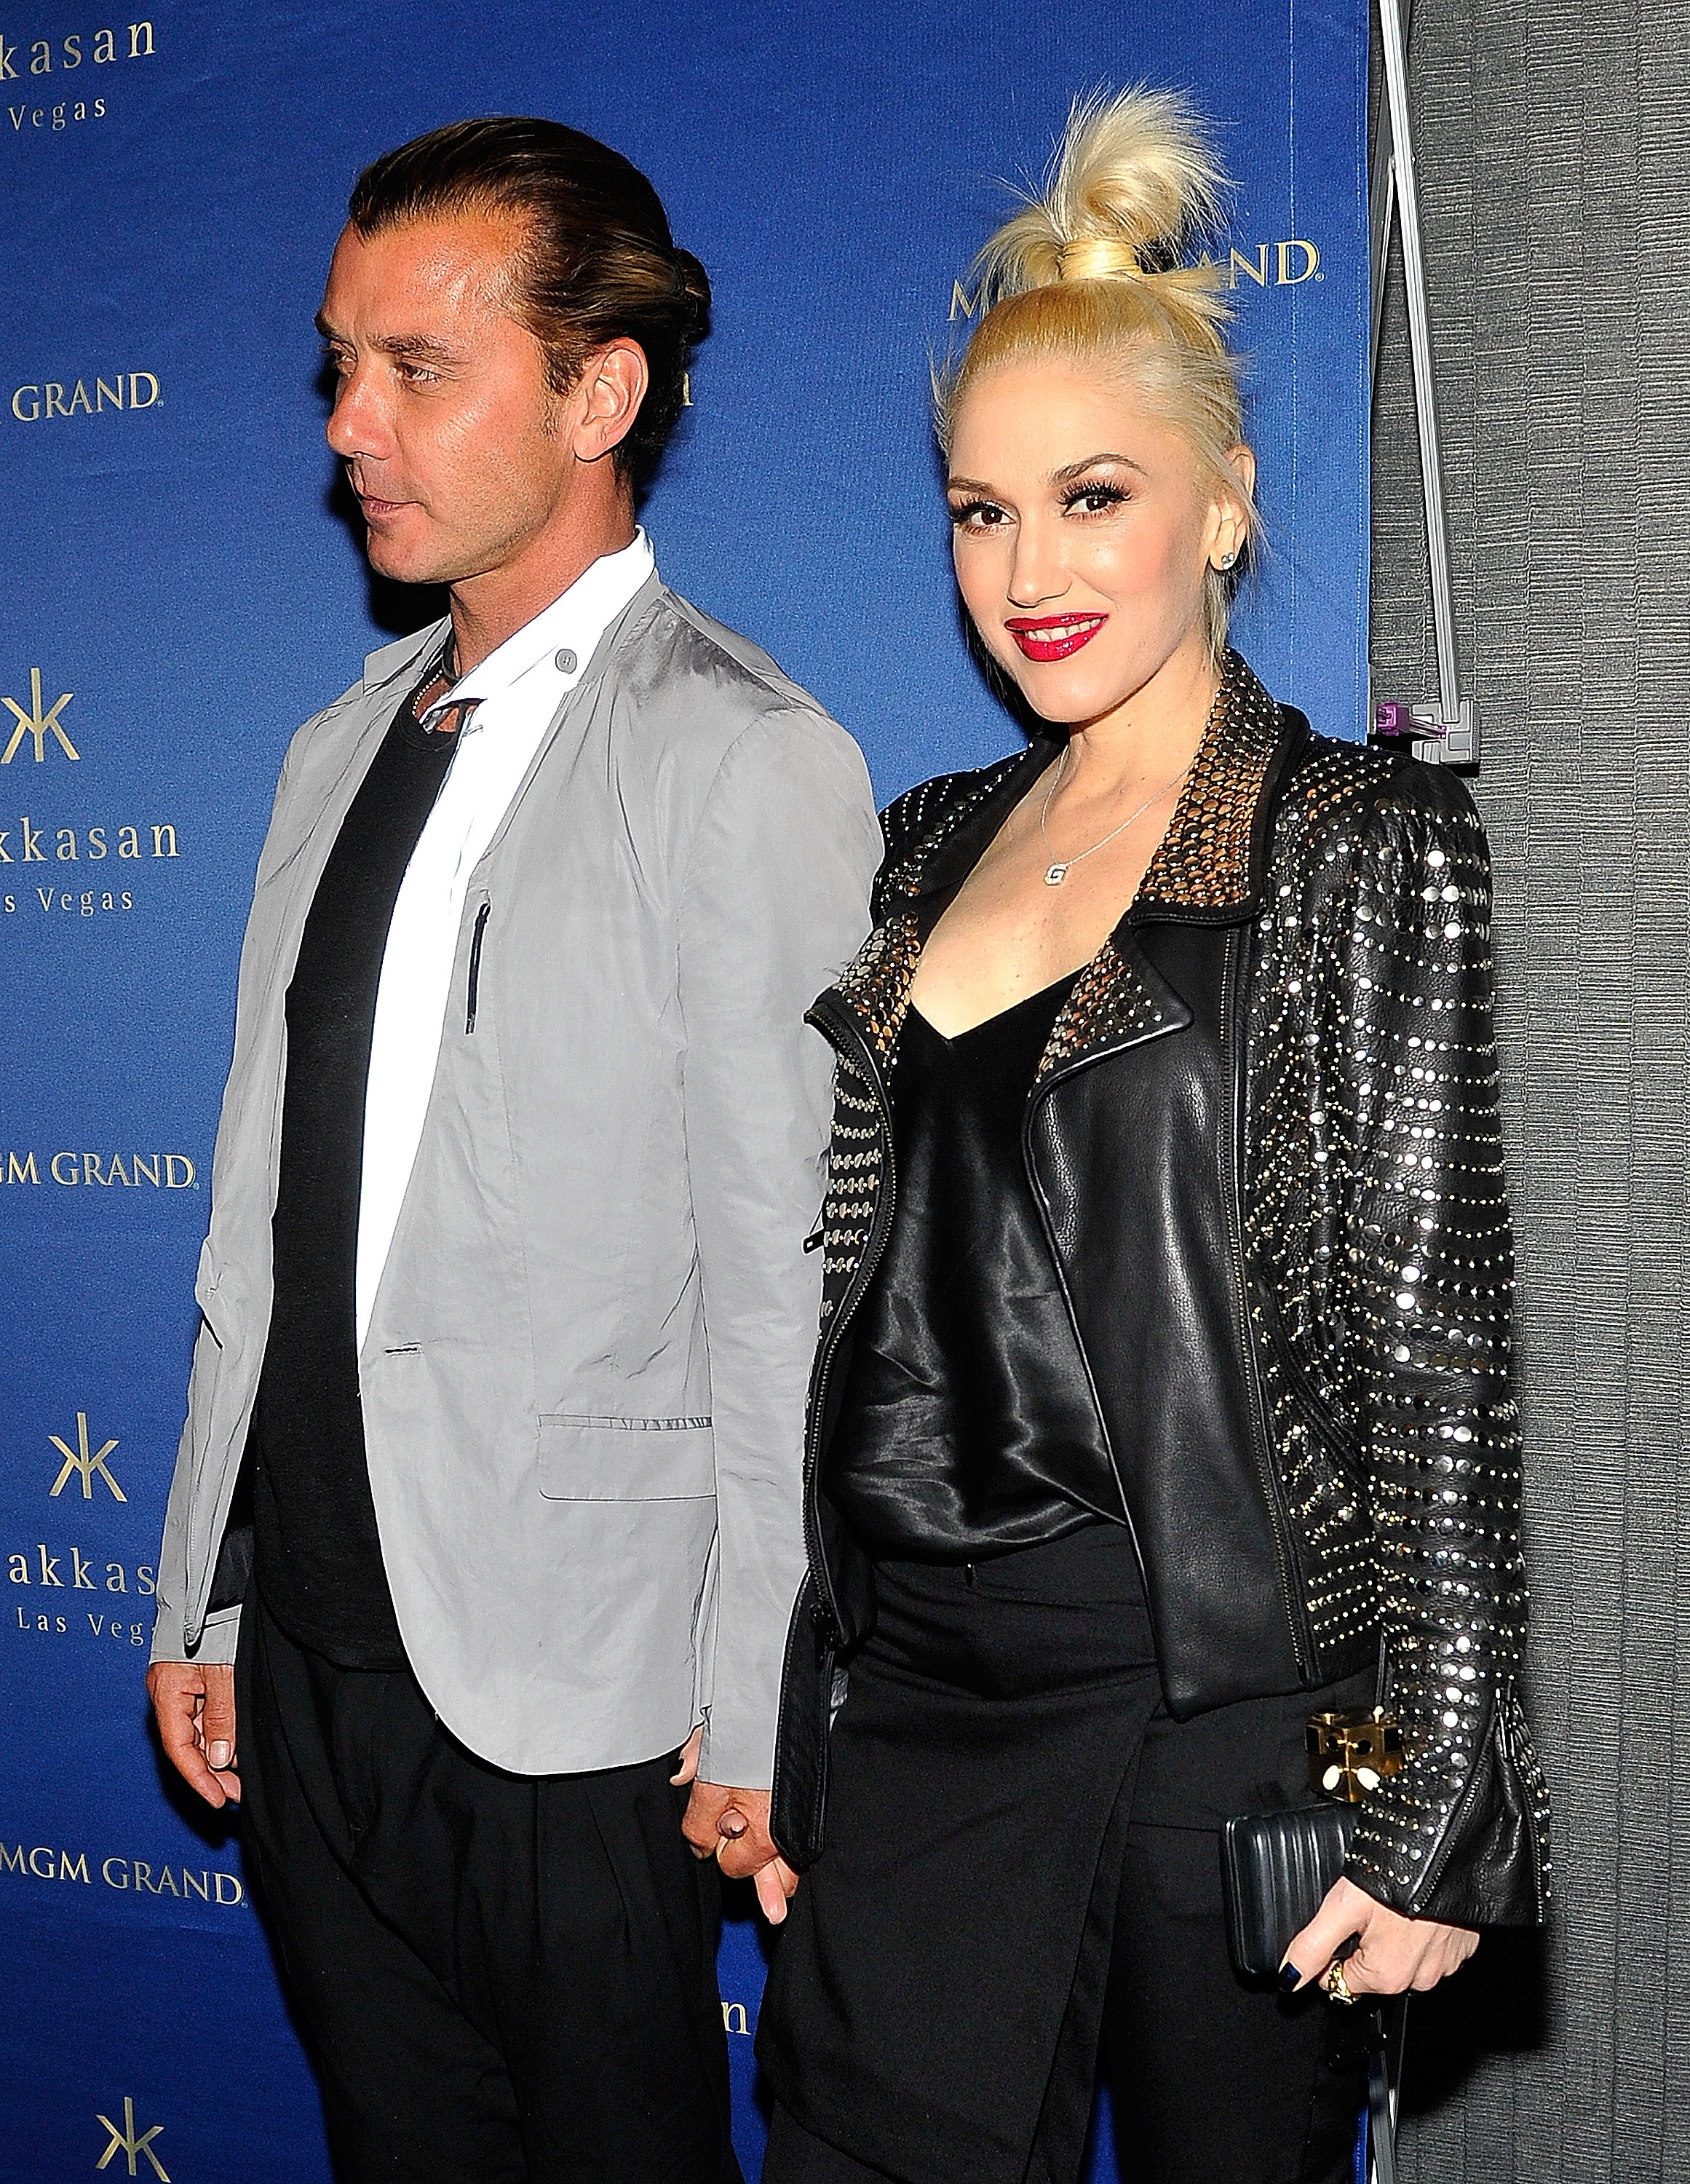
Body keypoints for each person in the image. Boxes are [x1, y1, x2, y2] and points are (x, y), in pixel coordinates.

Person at [756, 87, 1549, 2184]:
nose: (1028, 569)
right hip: (916, 1688)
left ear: (1219, 506)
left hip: (1219, 1708)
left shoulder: (1352, 845)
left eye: (1089, 497)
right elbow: (860, 1302)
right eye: (977, 511)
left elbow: (1435, 1357)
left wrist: (1440, 1795)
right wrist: (781, 1701)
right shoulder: (929, 842)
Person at [145, 116, 878, 2183]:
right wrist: (204, 1590)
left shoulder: (741, 758)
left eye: (415, 367)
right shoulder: (330, 746)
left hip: (577, 1696)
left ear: (598, 391)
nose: (351, 422)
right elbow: (263, 1224)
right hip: (307, 1667)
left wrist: (760, 1699)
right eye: (339, 366)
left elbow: (789, 1293)